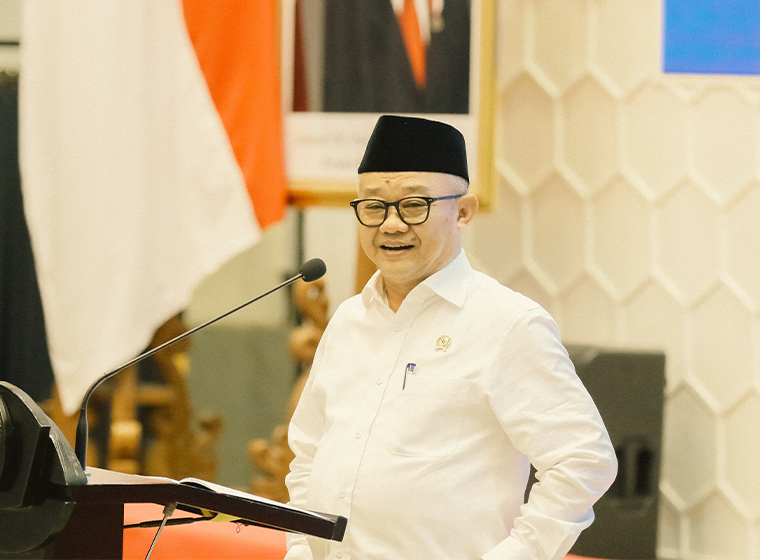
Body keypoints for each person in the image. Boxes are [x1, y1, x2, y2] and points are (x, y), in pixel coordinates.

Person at [285, 115, 617, 560]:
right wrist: (300, 547)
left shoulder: (508, 323)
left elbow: (584, 460)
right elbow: (308, 451)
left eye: (414, 205)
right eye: (374, 206)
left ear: (463, 212)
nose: (391, 224)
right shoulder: (348, 321)